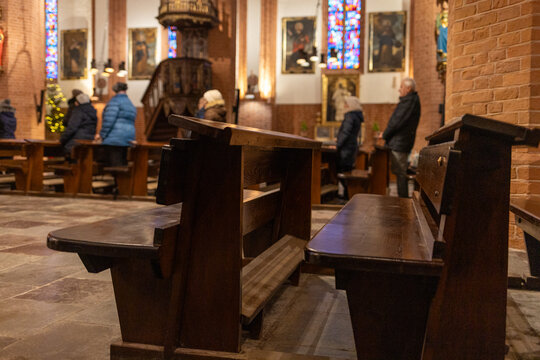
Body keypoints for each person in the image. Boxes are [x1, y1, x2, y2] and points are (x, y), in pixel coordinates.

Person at [382, 77, 421, 198]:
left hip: (400, 143)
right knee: (399, 172)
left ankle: (403, 202)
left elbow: (396, 122)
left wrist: (385, 135)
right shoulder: (411, 100)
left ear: (408, 88)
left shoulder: (409, 101)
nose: (399, 90)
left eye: (401, 87)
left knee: (400, 173)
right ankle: (402, 201)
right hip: (401, 142)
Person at [96, 82, 136, 166]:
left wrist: (102, 135)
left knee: (115, 166)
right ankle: (122, 179)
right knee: (122, 163)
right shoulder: (130, 103)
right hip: (128, 137)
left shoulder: (115, 102)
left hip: (114, 139)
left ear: (115, 90)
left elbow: (108, 121)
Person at [336, 96, 364, 198]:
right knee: (347, 170)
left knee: (341, 170)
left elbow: (346, 132)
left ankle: (348, 193)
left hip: (346, 148)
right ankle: (347, 193)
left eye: (346, 104)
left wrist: (338, 144)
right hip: (351, 146)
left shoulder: (350, 116)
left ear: (351, 105)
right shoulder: (356, 116)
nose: (344, 106)